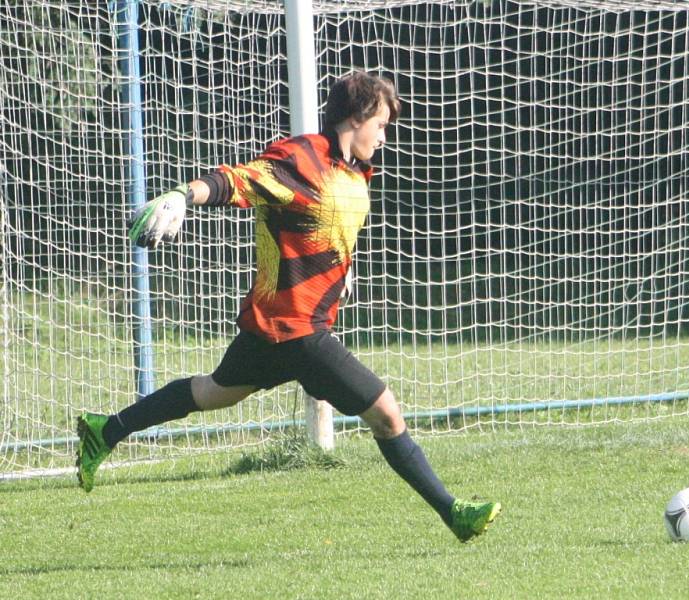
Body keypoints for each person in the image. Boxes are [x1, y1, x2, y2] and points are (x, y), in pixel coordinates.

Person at [76, 71, 501, 542]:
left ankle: (106, 429)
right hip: (298, 330)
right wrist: (182, 196)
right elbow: (236, 180)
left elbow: (333, 224)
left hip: (273, 328)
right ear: (356, 118)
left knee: (212, 392)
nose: (383, 136)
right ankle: (453, 513)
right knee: (387, 415)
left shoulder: (354, 169)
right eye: (379, 124)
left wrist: (343, 270)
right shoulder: (300, 160)